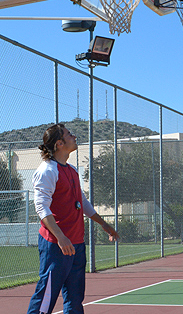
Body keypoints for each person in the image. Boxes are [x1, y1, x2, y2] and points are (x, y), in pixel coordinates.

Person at [27, 123, 119, 314]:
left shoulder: (72, 170)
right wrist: (61, 237)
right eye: (70, 134)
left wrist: (104, 224)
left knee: (75, 300)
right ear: (59, 143)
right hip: (56, 245)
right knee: (46, 297)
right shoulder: (47, 171)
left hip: (76, 243)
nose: (74, 136)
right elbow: (41, 207)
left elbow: (82, 202)